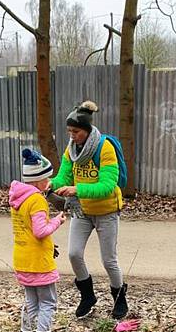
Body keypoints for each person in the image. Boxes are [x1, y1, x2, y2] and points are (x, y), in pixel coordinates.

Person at [52, 101, 129, 320]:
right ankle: (87, 296)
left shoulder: (104, 148)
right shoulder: (71, 150)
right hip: (82, 210)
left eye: (75, 131)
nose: (72, 136)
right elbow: (63, 177)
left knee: (109, 260)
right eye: (69, 131)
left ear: (86, 130)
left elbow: (107, 186)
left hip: (106, 211)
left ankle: (119, 298)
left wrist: (77, 188)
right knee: (74, 254)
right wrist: (50, 184)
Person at [9, 148, 67, 332]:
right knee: (48, 302)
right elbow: (40, 231)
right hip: (38, 263)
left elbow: (28, 231)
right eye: (47, 178)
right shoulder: (37, 201)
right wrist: (57, 221)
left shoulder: (17, 198)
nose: (49, 182)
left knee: (31, 301)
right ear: (37, 180)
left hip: (23, 259)